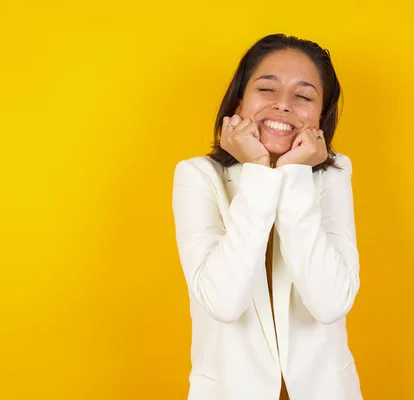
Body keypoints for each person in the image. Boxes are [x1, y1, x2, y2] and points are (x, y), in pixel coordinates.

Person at [172, 33, 363, 400]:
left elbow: (330, 302)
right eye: (266, 89)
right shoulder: (196, 176)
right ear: (239, 101)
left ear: (320, 117)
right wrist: (259, 170)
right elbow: (223, 302)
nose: (283, 106)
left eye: (303, 96)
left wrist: (293, 174)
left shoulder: (333, 176)